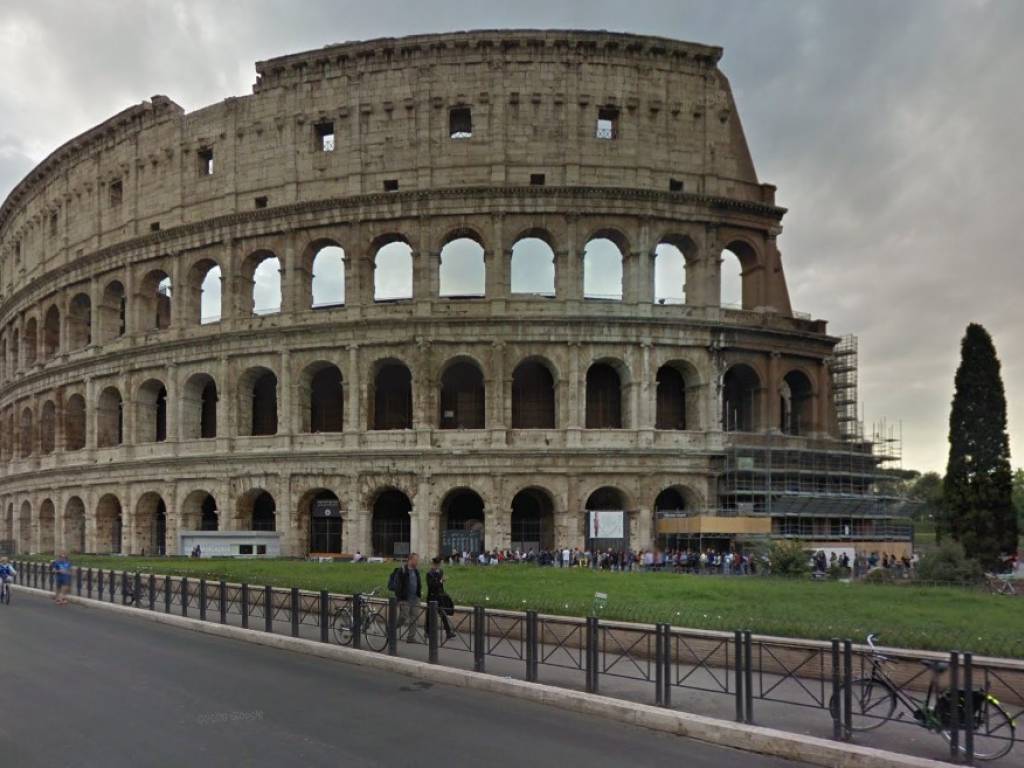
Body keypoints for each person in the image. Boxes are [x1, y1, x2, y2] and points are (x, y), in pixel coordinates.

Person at [389, 552, 422, 643]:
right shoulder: (402, 570)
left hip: (415, 598)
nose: (417, 562)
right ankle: (391, 628)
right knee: (403, 617)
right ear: (410, 560)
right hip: (405, 598)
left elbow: (418, 583)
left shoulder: (416, 571)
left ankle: (411, 637)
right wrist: (399, 599)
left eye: (417, 560)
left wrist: (419, 593)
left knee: (414, 618)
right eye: (416, 560)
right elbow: (398, 586)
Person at [426, 557, 457, 640]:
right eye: (437, 564)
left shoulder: (440, 572)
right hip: (432, 597)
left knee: (443, 614)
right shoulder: (429, 573)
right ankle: (427, 632)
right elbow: (431, 586)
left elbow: (440, 586)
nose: (439, 566)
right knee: (429, 615)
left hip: (439, 596)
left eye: (439, 564)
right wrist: (440, 581)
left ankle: (448, 632)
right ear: (434, 564)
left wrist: (442, 589)